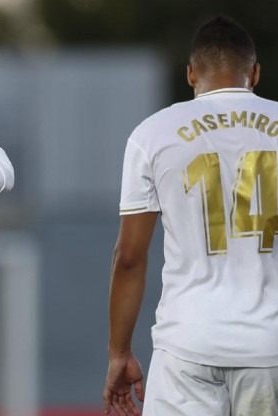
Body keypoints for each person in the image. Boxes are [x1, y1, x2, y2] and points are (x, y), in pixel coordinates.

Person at [104, 15, 278, 416]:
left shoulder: (153, 133)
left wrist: (120, 352)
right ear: (254, 73)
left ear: (190, 74)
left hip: (187, 344)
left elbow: (129, 258)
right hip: (268, 346)